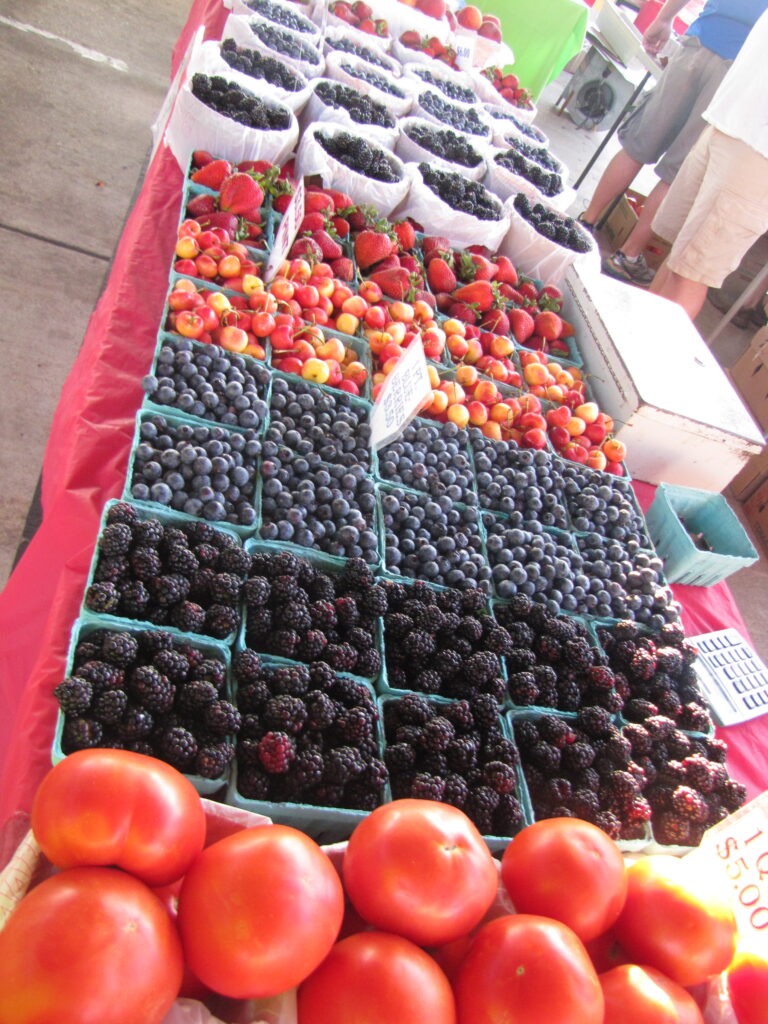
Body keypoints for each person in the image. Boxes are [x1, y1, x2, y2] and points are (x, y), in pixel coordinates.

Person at [578, 0, 767, 286]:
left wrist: (666, 18)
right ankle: (627, 256)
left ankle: (586, 223)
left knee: (638, 146)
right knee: (675, 173)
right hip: (734, 73)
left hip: (699, 42)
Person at [649, 7, 768, 319]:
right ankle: (619, 344)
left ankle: (633, 360)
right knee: (677, 255)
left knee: (692, 271)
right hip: (727, 119)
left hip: (758, 151)